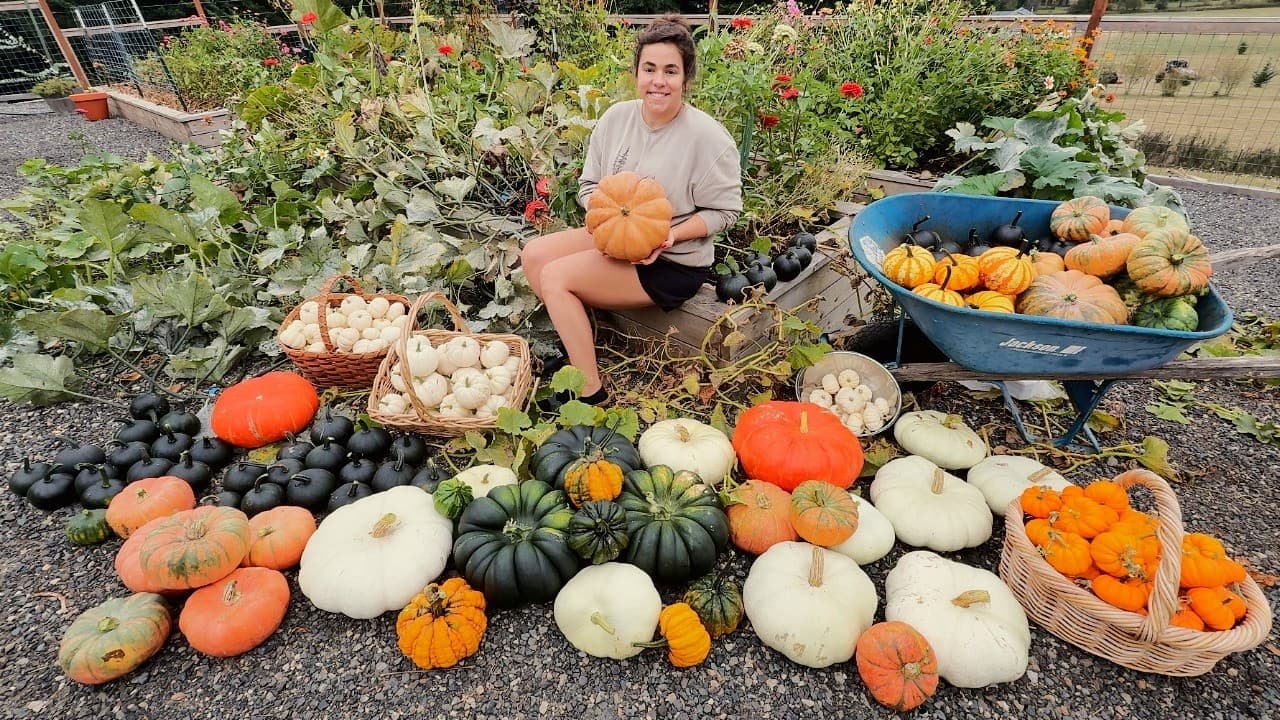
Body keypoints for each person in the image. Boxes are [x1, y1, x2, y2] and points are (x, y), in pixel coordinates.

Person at [520, 14, 743, 412]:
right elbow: (590, 188)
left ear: (685, 78)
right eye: (650, 69)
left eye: (670, 71)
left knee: (555, 277)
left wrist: (670, 236)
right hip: (615, 239)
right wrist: (606, 218)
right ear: (637, 72)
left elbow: (725, 212)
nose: (659, 81)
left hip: (670, 260)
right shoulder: (615, 119)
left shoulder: (708, 139)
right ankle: (580, 343)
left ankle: (591, 392)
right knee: (533, 255)